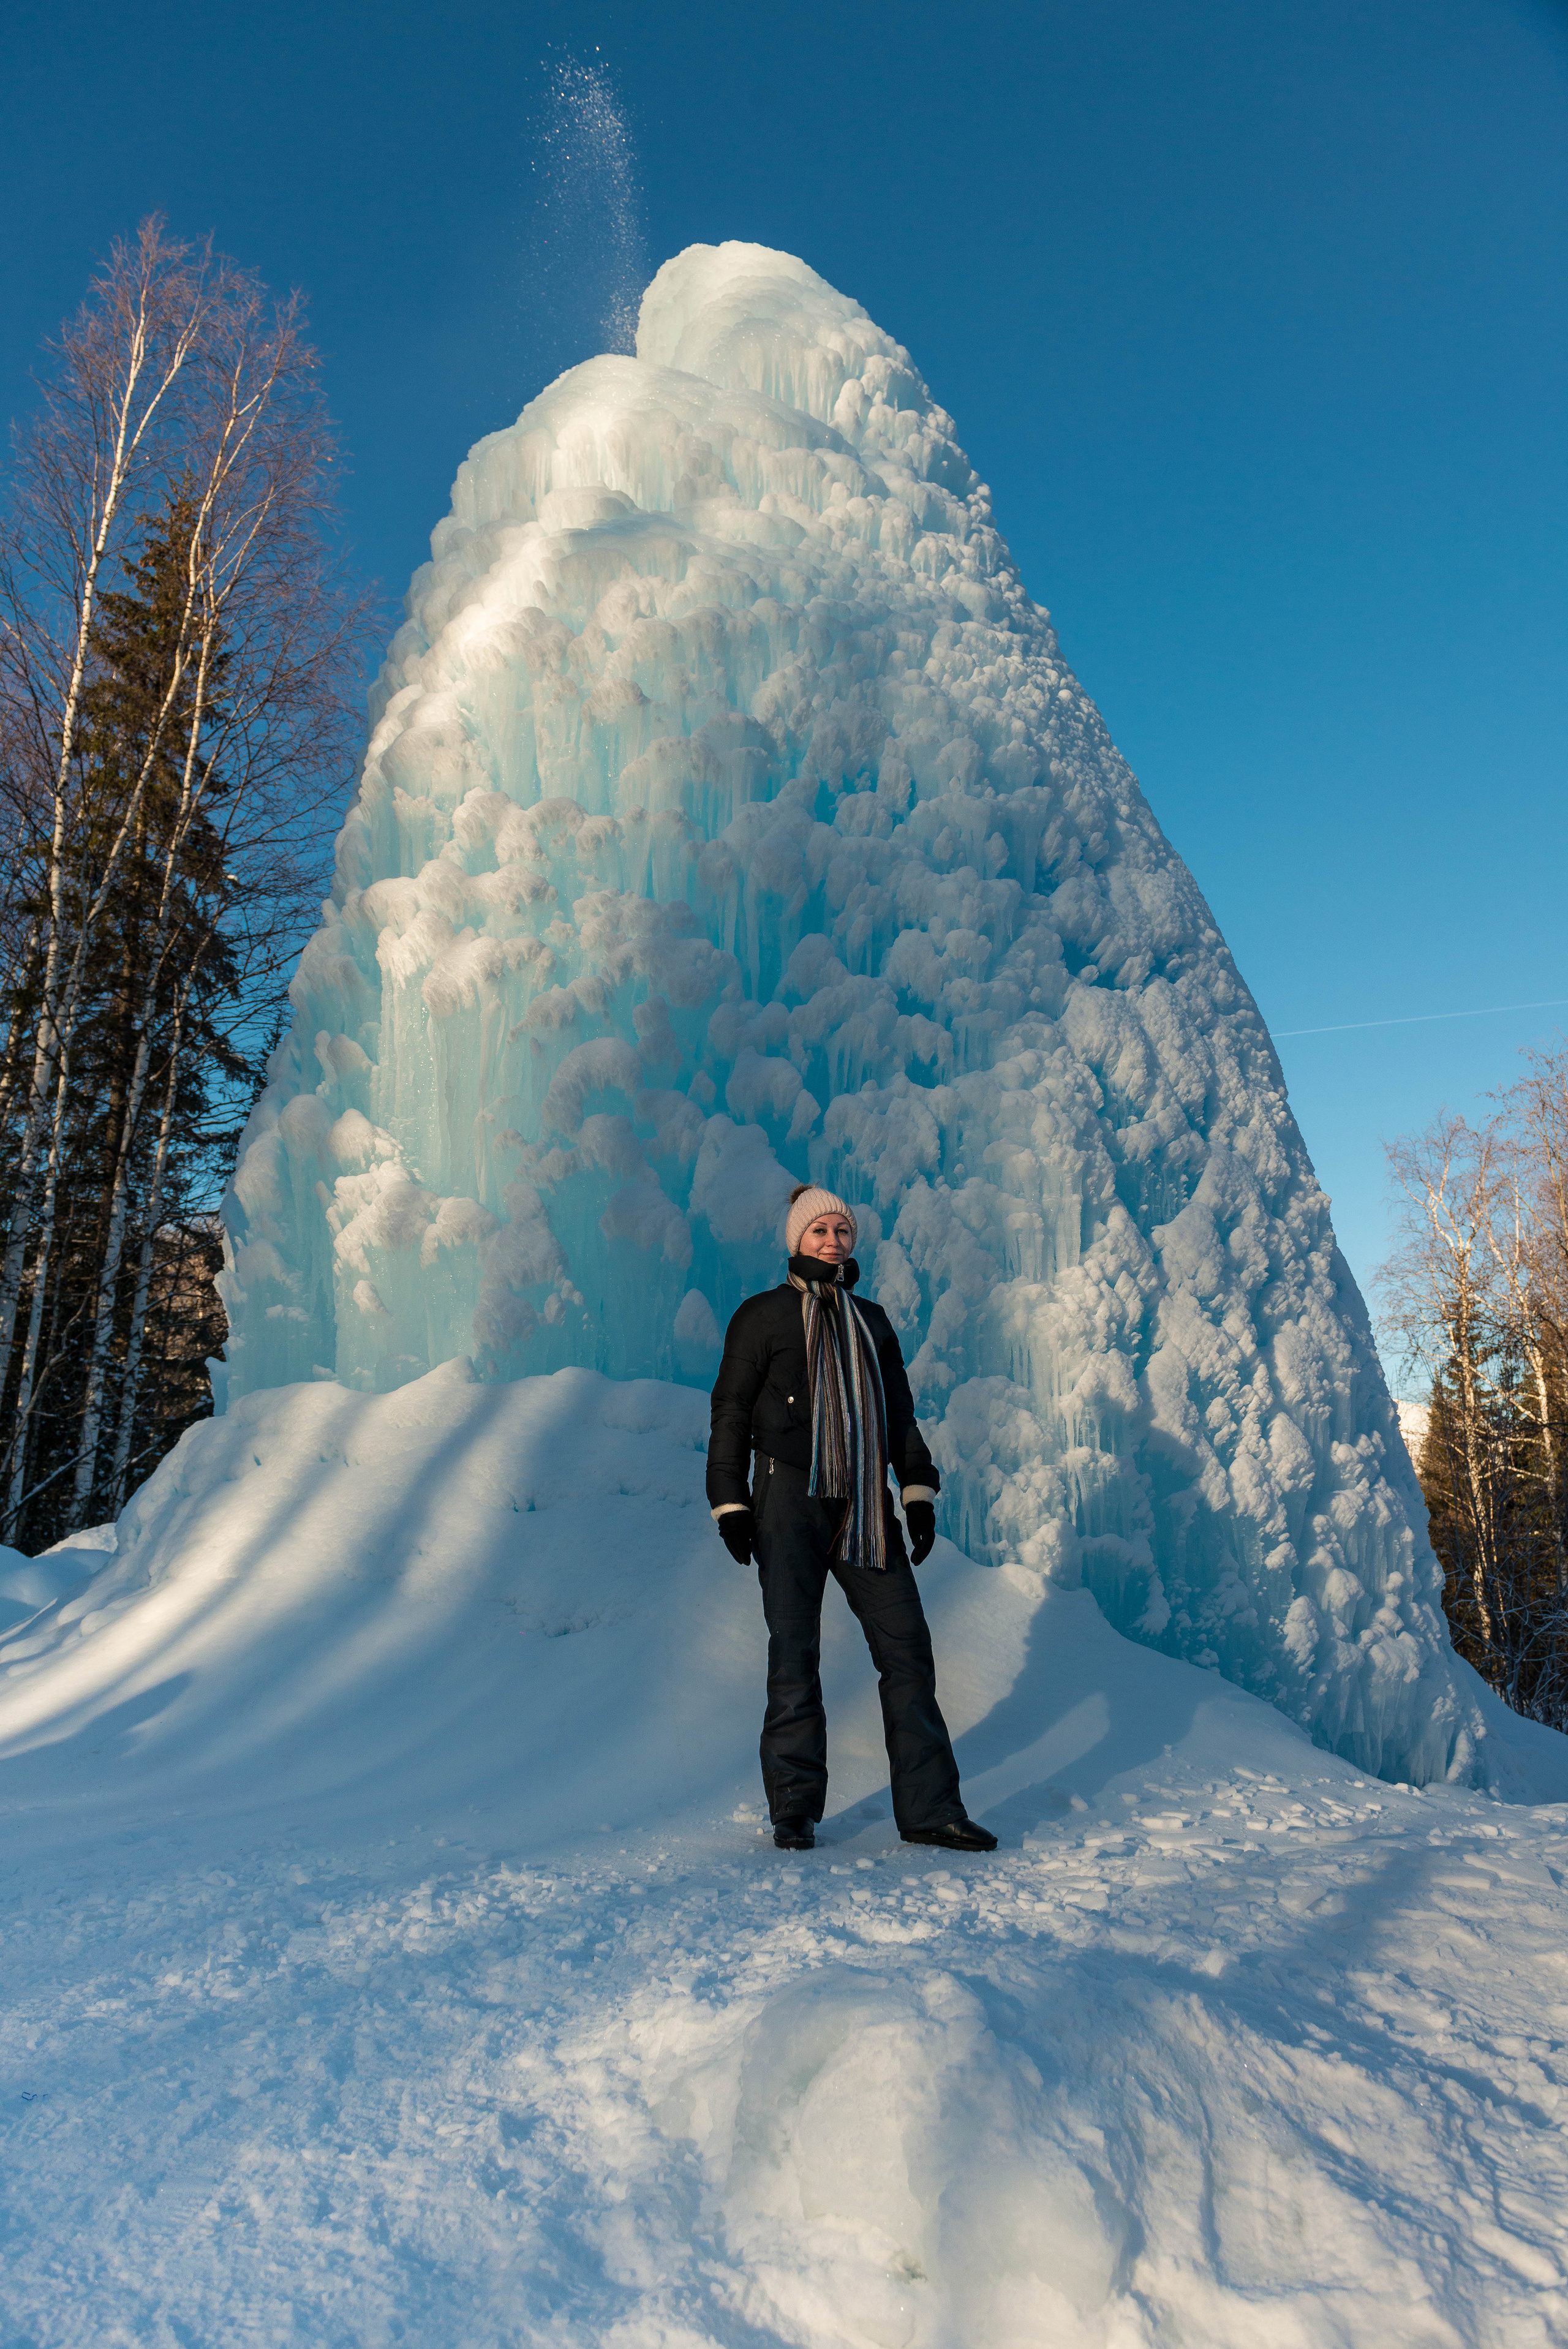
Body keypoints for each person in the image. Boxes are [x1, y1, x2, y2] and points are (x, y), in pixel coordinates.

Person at [707, 1183, 998, 1855]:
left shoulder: (872, 1319)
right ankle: (794, 1809)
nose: (832, 1242)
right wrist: (730, 1502)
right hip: (787, 1498)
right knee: (794, 1651)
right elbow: (728, 1410)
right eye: (819, 1232)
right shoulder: (762, 1316)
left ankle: (931, 1810)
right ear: (796, 1240)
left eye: (842, 1232)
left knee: (907, 1650)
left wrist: (917, 1491)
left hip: (865, 1504)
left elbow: (899, 1414)